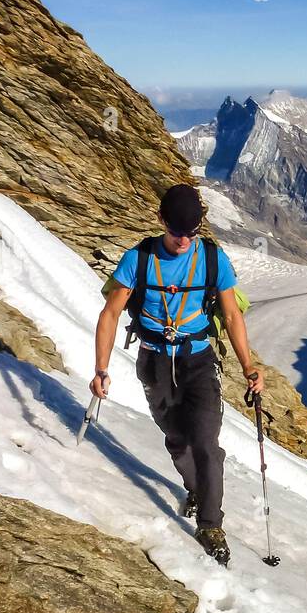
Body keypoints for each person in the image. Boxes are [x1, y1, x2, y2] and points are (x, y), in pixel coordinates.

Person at [91, 184, 262, 565]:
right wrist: (101, 369)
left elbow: (232, 315)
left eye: (191, 232)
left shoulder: (213, 260)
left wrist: (250, 367)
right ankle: (196, 488)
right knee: (177, 439)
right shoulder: (137, 259)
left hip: (197, 361)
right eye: (176, 231)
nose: (183, 240)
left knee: (205, 442)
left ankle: (210, 524)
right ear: (161, 222)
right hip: (153, 362)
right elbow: (110, 314)